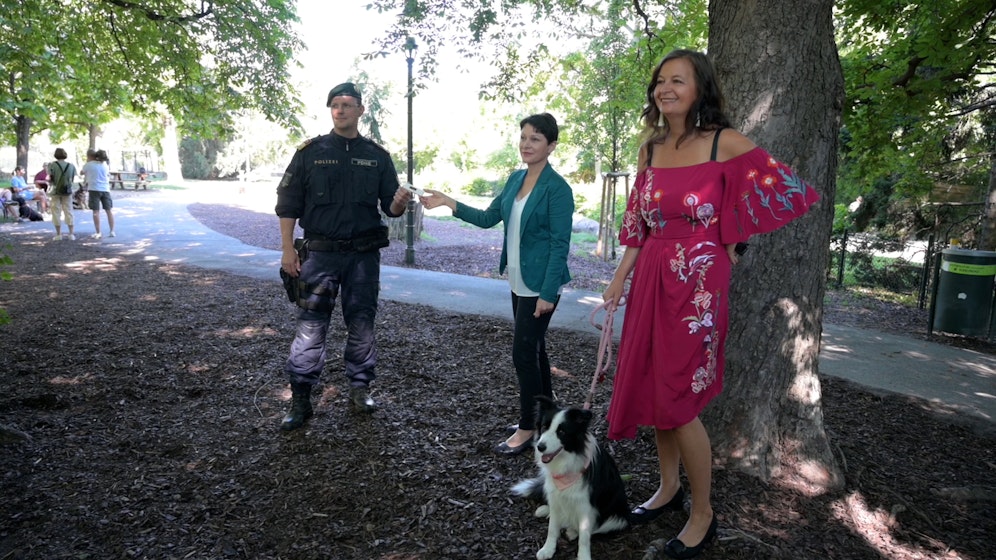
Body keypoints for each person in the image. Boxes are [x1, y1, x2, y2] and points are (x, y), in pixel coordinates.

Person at [601, 49, 820, 559]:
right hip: (651, 274)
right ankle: (668, 488)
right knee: (657, 388)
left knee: (678, 400)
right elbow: (637, 228)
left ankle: (704, 515)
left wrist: (732, 243)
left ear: (700, 89)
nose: (664, 88)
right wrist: (617, 283)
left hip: (698, 284)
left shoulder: (725, 142)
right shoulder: (650, 149)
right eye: (659, 81)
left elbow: (783, 191)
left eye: (677, 80)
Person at [420, 113, 574, 455]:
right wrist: (448, 202)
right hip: (518, 280)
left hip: (541, 287)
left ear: (551, 146)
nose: (526, 144)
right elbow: (489, 218)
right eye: (523, 137)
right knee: (535, 351)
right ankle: (547, 418)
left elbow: (560, 244)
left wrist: (548, 293)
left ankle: (527, 427)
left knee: (523, 354)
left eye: (535, 138)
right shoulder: (515, 180)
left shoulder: (558, 189)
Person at [274, 82, 413, 431]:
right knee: (310, 327)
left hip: (363, 257)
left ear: (360, 111)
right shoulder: (310, 152)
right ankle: (301, 398)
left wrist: (398, 203)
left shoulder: (377, 156)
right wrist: (287, 249)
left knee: (362, 324)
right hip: (319, 255)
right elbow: (287, 203)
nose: (340, 110)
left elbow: (390, 208)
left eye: (347, 104)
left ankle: (360, 388)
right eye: (335, 104)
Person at [81, 149, 115, 238]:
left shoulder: (88, 165)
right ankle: (112, 231)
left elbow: (82, 172)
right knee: (109, 210)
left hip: (94, 189)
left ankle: (98, 232)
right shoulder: (105, 165)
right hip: (105, 189)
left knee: (96, 211)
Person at [48, 148, 78, 241]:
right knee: (68, 210)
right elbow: (72, 179)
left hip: (55, 191)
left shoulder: (52, 165)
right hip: (67, 191)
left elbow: (50, 179)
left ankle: (58, 234)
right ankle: (71, 234)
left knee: (56, 211)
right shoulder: (71, 166)